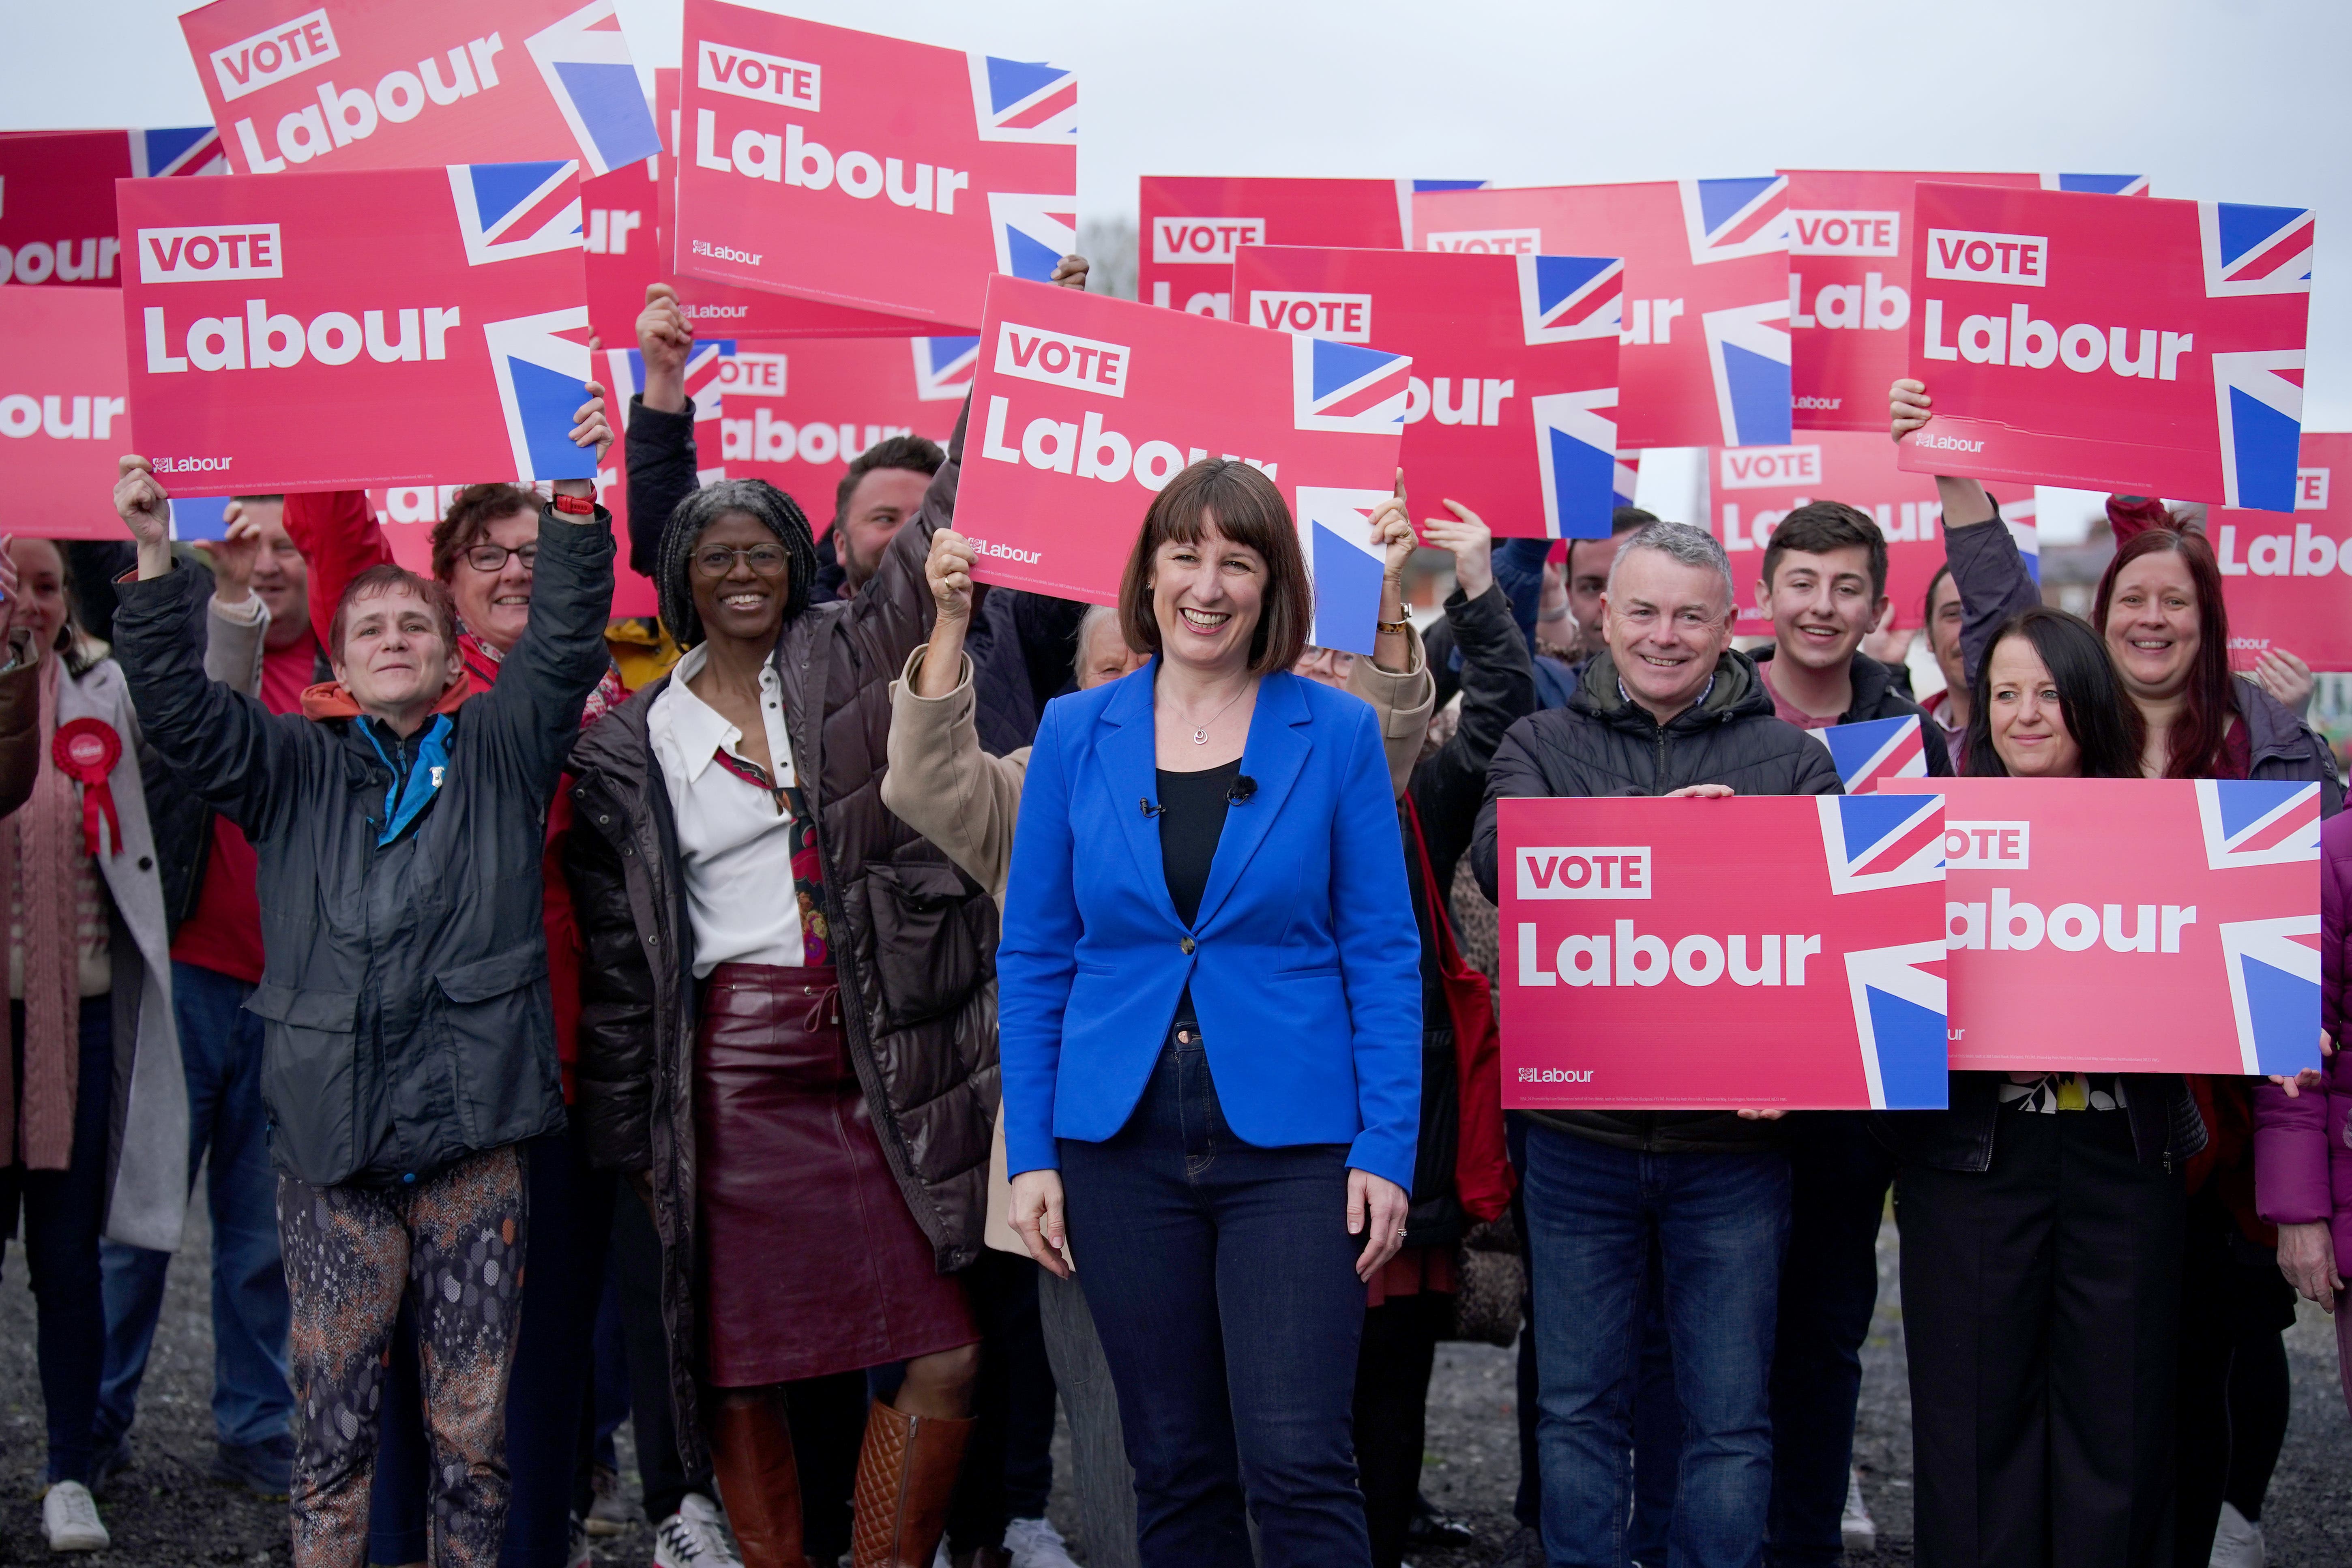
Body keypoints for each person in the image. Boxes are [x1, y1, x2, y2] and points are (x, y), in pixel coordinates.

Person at [105, 377, 616, 1568]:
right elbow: (178, 713)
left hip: (485, 1124)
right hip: (338, 1132)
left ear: (448, 659)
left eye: (413, 629)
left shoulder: (501, 746)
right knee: (336, 1420)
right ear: (341, 653)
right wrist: (148, 550)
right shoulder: (294, 763)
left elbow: (564, 632)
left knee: (474, 1424)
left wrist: (579, 488)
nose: (392, 639)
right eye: (371, 626)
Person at [566, 435, 997, 1566]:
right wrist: (635, 1145)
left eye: (764, 552)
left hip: (876, 1055)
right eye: (717, 557)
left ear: (799, 566)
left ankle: (886, 1557)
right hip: (736, 1078)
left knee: (946, 1346)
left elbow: (930, 534)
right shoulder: (631, 743)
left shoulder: (848, 657)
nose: (743, 571)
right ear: (682, 581)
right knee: (740, 1366)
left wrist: (1003, 373)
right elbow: (625, 968)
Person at [997, 459, 1423, 1568]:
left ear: (1272, 584)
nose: (1208, 583)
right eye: (1185, 554)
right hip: (1118, 1143)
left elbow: (1383, 953)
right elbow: (1037, 953)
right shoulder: (1072, 731)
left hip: (1294, 1147)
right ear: (1146, 577)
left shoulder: (1332, 733)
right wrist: (1033, 1152)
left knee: (1297, 1458)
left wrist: (1386, 1145)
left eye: (1237, 559)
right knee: (1174, 1462)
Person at [1468, 519, 1838, 1568]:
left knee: (1727, 1418)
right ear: (1602, 614)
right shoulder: (1537, 744)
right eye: (1642, 610)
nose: (1664, 634)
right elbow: (1505, 860)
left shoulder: (1794, 762)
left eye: (1690, 614)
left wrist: (1798, 1063)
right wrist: (1654, 828)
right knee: (1579, 1408)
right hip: (1579, 1139)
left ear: (1731, 626)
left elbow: (1834, 933)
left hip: (1734, 1154)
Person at [280, 478, 634, 1568]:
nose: (515, 568)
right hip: (392, 1083)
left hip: (549, 1072)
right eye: (486, 553)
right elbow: (335, 534)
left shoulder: (604, 693)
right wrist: (318, 401)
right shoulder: (418, 688)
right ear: (441, 588)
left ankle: (531, 1547)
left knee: (537, 1359)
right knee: (386, 1357)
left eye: (534, 549)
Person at [1734, 498, 1949, 1567]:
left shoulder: (1915, 735)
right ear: (1764, 590)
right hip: (1711, 1084)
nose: (1823, 606)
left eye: (1847, 585)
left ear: (1878, 603)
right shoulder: (1706, 705)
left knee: (1821, 1338)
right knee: (1706, 1343)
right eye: (1804, 583)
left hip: (1851, 1091)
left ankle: (1804, 1542)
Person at [1309, 501, 1524, 1568]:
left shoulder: (1413, 787)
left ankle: (1378, 1544)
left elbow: (1501, 713)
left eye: (1336, 652)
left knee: (1389, 1380)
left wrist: (1476, 586)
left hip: (1397, 1135)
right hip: (1274, 1136)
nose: (1319, 669)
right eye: (1297, 649)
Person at [94, 502, 306, 1503]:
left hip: (291, 997)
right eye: (245, 545)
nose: (266, 561)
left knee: (262, 1239)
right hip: (184, 977)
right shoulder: (192, 656)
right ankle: (95, 1413)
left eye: (285, 546)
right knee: (135, 1217)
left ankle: (257, 1422)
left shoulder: (361, 671)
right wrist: (206, 585)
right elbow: (195, 703)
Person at [0, 535, 188, 1554]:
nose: (27, 605)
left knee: (68, 1263)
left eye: (42, 587)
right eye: (7, 586)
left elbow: (196, 722)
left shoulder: (101, 687)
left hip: (75, 1020)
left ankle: (68, 1470)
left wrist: (223, 600)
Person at [1917, 565, 1968, 763]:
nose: (1967, 631)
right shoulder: (1909, 731)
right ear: (1929, 635)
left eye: (1982, 614)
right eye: (1953, 614)